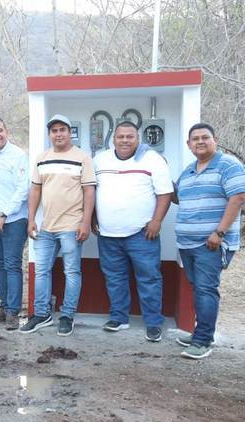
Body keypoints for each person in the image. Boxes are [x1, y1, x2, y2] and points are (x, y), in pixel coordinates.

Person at [93, 121, 173, 342]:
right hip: (108, 234)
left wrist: (157, 221)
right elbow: (91, 190)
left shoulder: (152, 159)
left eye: (130, 136)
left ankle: (154, 323)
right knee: (114, 278)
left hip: (142, 234)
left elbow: (165, 193)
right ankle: (119, 318)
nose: (125, 140)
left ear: (138, 138)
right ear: (113, 139)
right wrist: (92, 217)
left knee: (149, 278)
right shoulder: (100, 160)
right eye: (121, 137)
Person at [173, 123, 245, 359]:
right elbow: (177, 197)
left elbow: (238, 198)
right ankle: (201, 333)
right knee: (199, 288)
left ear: (215, 140)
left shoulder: (228, 165)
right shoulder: (188, 170)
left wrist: (219, 233)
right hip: (187, 243)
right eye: (195, 139)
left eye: (205, 137)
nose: (200, 142)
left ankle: (203, 341)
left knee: (205, 290)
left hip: (211, 243)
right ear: (189, 144)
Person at [22, 115, 96, 336]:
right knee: (41, 271)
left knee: (71, 271)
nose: (58, 134)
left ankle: (67, 316)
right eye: (54, 130)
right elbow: (35, 190)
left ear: (70, 132)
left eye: (62, 129)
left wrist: (85, 222)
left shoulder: (82, 157)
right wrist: (31, 219)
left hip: (72, 226)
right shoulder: (42, 158)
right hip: (46, 227)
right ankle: (41, 314)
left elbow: (89, 191)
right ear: (50, 134)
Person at [0, 118, 29, 330]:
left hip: (12, 220)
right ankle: (3, 306)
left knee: (12, 265)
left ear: (7, 132)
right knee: (0, 264)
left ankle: (13, 312)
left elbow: (22, 189)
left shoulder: (17, 155)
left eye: (0, 130)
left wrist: (4, 214)